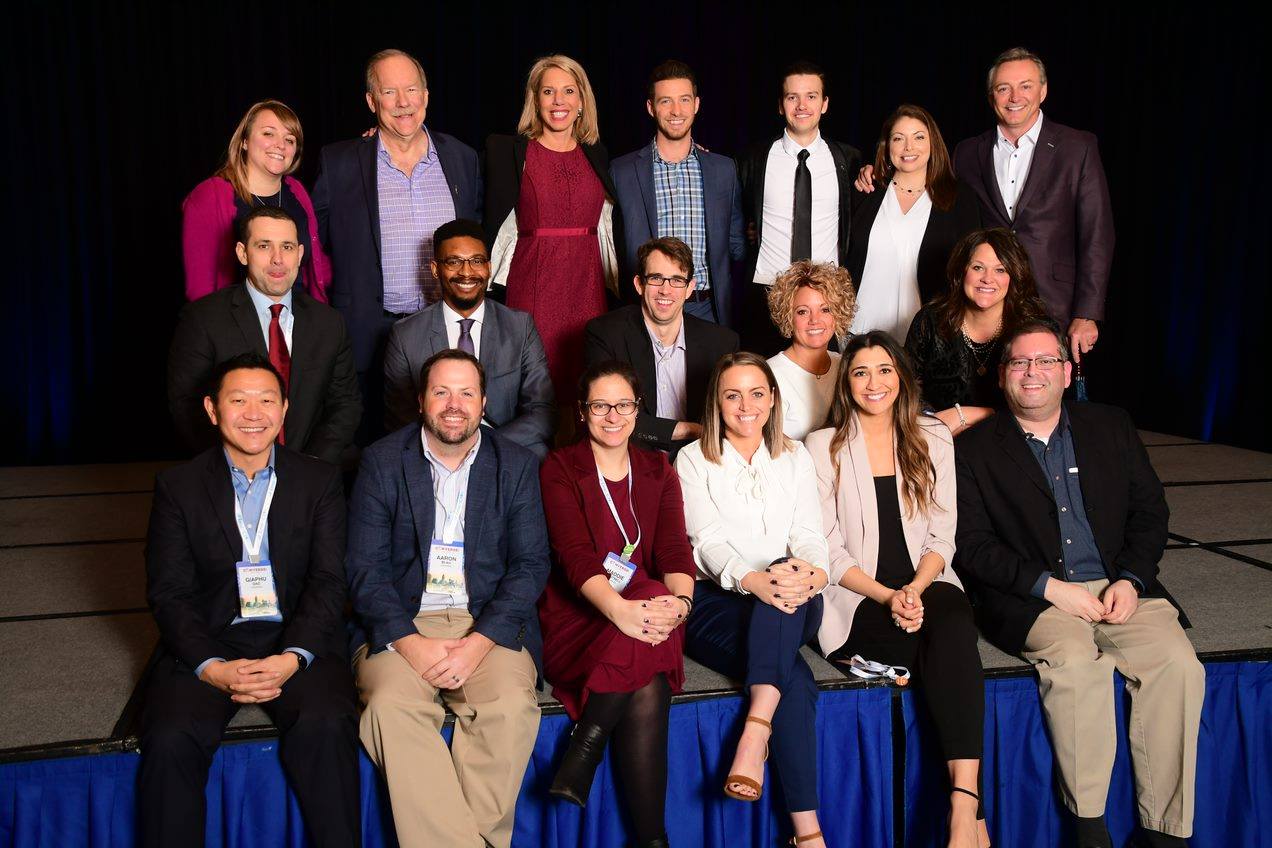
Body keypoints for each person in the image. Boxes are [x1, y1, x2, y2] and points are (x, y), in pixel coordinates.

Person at [955, 319, 1204, 848]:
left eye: (1046, 361)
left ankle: (1165, 832)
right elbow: (972, 546)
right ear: (1002, 376)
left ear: (1067, 373)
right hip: (1036, 597)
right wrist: (1049, 587)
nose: (1033, 372)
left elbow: (1150, 513)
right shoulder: (973, 450)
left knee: (1178, 666)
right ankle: (1089, 827)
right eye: (1020, 362)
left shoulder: (1111, 425)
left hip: (1121, 587)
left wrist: (1133, 579)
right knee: (1075, 663)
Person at [139, 352, 360, 847]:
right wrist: (210, 666)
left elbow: (329, 581)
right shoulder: (177, 487)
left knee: (328, 723)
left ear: (284, 410)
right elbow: (169, 591)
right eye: (238, 401)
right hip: (210, 637)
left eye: (266, 400)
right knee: (170, 736)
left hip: (296, 637)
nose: (253, 413)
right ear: (213, 410)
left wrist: (291, 657)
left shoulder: (319, 481)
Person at [346, 349, 550, 848]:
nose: (453, 404)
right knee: (390, 707)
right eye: (441, 391)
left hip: (486, 622)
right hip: (402, 622)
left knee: (510, 706)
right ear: (420, 401)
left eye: (466, 393)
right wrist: (412, 644)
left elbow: (530, 566)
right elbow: (364, 571)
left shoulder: (516, 464)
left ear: (484, 403)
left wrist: (478, 643)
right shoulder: (380, 461)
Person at [805, 332, 988, 848]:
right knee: (947, 656)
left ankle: (960, 805)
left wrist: (915, 588)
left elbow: (941, 533)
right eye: (860, 372)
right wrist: (889, 597)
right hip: (858, 596)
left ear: (902, 377)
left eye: (885, 370)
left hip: (927, 582)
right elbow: (829, 550)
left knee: (951, 625)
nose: (873, 382)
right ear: (847, 384)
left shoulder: (932, 436)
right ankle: (972, 816)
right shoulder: (824, 447)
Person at [855, 48, 1113, 363]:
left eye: (1026, 86)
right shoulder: (967, 153)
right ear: (992, 96)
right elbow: (929, 185)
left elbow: (1096, 234)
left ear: (1043, 91)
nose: (1014, 96)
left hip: (1052, 301)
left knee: (1042, 395)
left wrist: (1086, 313)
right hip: (982, 304)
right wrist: (875, 172)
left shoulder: (1077, 148)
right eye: (1004, 88)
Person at [537, 361, 697, 848]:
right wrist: (628, 611)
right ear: (582, 412)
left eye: (623, 405)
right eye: (600, 406)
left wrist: (683, 603)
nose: (613, 416)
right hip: (579, 614)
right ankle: (652, 839)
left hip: (646, 614)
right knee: (649, 605)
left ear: (637, 409)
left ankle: (586, 748)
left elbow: (673, 552)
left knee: (654, 613)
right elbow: (575, 559)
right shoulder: (560, 468)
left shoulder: (658, 469)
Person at [675, 352, 832, 848]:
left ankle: (754, 731)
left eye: (757, 393)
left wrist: (812, 572)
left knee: (785, 579)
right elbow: (705, 541)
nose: (746, 406)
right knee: (796, 680)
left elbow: (809, 534)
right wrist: (751, 580)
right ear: (717, 402)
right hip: (716, 600)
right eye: (733, 394)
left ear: (772, 400)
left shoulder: (795, 455)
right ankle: (808, 834)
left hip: (793, 594)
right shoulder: (693, 458)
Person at [312, 48, 481, 440]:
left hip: (443, 328)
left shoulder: (462, 158)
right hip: (370, 332)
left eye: (411, 89)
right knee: (371, 449)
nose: (403, 102)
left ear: (426, 95)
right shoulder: (339, 163)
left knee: (445, 442)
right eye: (389, 92)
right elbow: (312, 246)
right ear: (372, 101)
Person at [168, 206, 361, 466]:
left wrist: (307, 469)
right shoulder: (203, 319)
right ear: (242, 253)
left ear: (300, 254)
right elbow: (187, 408)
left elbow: (345, 405)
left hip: (311, 473)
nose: (278, 259)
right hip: (229, 474)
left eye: (288, 247)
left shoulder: (328, 323)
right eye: (263, 246)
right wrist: (242, 466)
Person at [485, 54, 622, 403]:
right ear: (535, 99)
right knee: (534, 388)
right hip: (533, 284)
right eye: (548, 91)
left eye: (568, 91)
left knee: (587, 385)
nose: (558, 101)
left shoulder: (598, 154)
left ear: (581, 101)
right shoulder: (508, 152)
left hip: (588, 285)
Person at [382, 218, 555, 456]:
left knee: (540, 456)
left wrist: (482, 449)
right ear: (435, 269)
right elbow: (400, 421)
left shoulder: (519, 326)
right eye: (454, 262)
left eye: (476, 261)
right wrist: (451, 450)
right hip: (437, 451)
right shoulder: (406, 335)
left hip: (507, 445)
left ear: (489, 267)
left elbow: (541, 410)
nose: (466, 272)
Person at [738, 61, 862, 356]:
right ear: (781, 105)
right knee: (765, 386)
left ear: (825, 103)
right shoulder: (753, 159)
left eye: (811, 96)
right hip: (766, 294)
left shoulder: (848, 159)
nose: (802, 105)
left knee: (823, 387)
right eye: (792, 97)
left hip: (825, 297)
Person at [610, 60, 746, 326]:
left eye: (684, 100)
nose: (676, 111)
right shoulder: (622, 172)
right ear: (651, 108)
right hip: (644, 312)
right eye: (665, 101)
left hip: (708, 311)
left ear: (696, 104)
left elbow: (737, 245)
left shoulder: (723, 170)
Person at [584, 237, 739, 455]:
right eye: (656, 278)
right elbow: (606, 416)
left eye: (676, 280)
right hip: (630, 456)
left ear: (689, 288)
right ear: (639, 284)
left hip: (699, 457)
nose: (666, 291)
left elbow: (730, 418)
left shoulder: (721, 343)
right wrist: (690, 429)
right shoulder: (606, 334)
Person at [846, 105, 981, 340]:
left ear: (933, 143)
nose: (909, 147)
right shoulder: (866, 192)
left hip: (927, 336)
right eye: (898, 138)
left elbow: (972, 263)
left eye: (919, 137)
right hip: (858, 332)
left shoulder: (959, 197)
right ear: (887, 146)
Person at [182, 99, 333, 303]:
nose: (280, 145)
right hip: (237, 325)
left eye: (290, 139)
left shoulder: (296, 191)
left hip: (297, 319)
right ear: (244, 141)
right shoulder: (209, 196)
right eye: (268, 134)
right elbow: (199, 290)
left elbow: (317, 268)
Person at [904, 228, 1049, 437]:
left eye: (1000, 270)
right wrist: (935, 424)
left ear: (1014, 275)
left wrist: (968, 415)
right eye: (978, 267)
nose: (987, 279)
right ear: (962, 271)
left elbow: (1044, 402)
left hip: (1013, 439)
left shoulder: (1034, 326)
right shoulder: (930, 319)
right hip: (941, 437)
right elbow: (906, 389)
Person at [766, 261, 857, 441]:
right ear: (788, 317)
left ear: (838, 314)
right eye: (802, 312)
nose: (815, 320)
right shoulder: (770, 374)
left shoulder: (846, 366)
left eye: (825, 309)